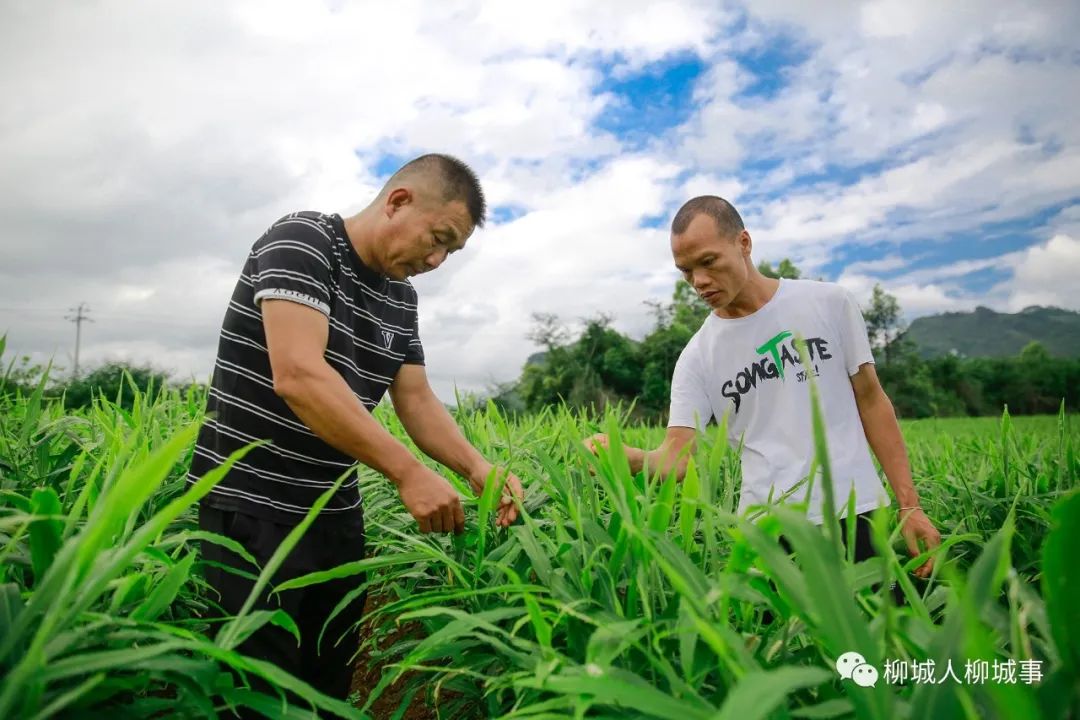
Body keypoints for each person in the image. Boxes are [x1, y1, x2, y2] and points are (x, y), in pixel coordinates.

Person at [188, 154, 523, 709]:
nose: (436, 260)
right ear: (397, 202)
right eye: (437, 239)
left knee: (330, 685)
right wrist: (408, 473)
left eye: (451, 252)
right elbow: (299, 374)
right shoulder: (304, 242)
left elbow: (415, 398)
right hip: (252, 507)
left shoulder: (401, 298)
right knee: (259, 694)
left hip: (335, 515)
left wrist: (477, 468)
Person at [585, 195, 941, 579]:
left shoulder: (828, 303)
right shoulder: (697, 357)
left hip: (857, 511)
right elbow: (677, 458)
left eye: (708, 262)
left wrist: (909, 505)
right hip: (768, 532)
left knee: (875, 617)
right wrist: (631, 458)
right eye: (686, 271)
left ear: (744, 243)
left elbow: (871, 401)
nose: (699, 281)